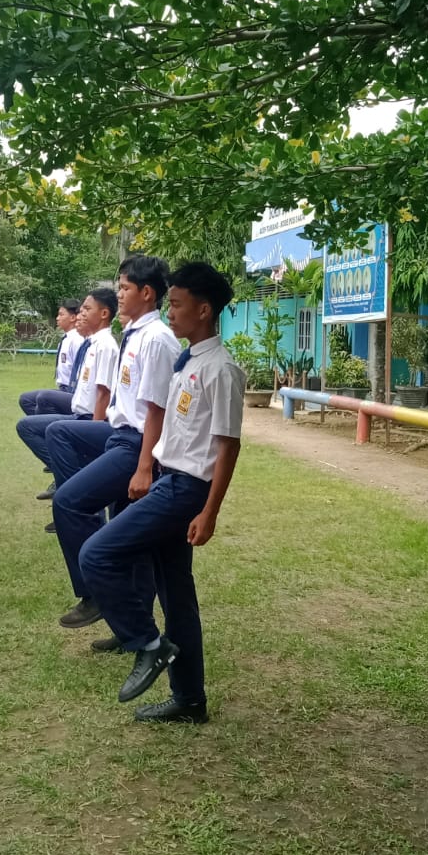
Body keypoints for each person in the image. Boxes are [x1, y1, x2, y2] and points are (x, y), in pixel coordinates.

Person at [78, 262, 245, 721]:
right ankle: (190, 699)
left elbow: (228, 447)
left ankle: (148, 644)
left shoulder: (221, 370)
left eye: (177, 304)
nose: (170, 312)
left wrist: (210, 512)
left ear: (204, 310)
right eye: (169, 303)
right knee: (176, 596)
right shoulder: (188, 361)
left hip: (186, 490)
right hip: (169, 478)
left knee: (97, 554)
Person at [47, 257, 178, 640]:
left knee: (69, 501)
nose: (118, 295)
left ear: (147, 293)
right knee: (132, 546)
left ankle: (94, 594)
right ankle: (132, 629)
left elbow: (157, 410)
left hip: (137, 445)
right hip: (119, 436)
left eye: (124, 288)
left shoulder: (156, 339)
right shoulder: (135, 335)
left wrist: (144, 466)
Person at [15, 288, 118, 503]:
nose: (81, 314)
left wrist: (92, 431)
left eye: (87, 309)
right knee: (28, 426)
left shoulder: (105, 346)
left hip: (88, 419)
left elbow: (104, 393)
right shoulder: (92, 344)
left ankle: (71, 483)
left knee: (46, 427)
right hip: (78, 414)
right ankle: (68, 474)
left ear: (104, 313)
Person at [18, 299, 85, 416]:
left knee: (43, 399)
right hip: (62, 388)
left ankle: (50, 423)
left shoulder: (77, 340)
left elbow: (80, 368)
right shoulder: (66, 339)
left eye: (61, 315)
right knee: (26, 399)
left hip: (71, 390)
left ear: (73, 317)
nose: (57, 318)